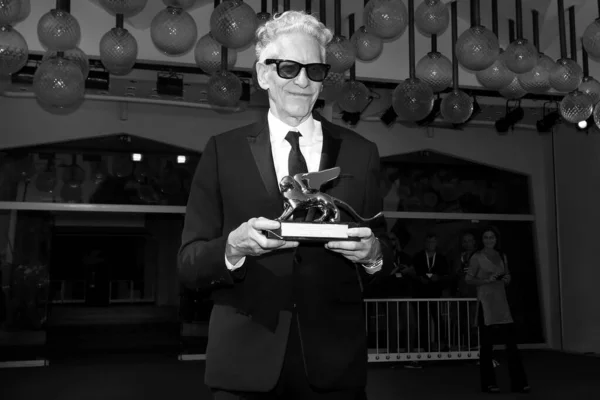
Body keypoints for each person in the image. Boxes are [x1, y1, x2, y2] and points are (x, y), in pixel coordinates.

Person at [178, 10, 393, 400]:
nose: (303, 81)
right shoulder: (222, 151)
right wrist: (232, 248)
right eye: (289, 67)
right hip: (244, 366)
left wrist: (374, 255)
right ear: (263, 74)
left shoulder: (361, 153)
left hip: (335, 367)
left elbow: (385, 253)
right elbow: (190, 262)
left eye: (314, 70)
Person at [466, 226, 530, 394]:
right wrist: (487, 280)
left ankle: (520, 383)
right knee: (487, 347)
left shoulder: (502, 256)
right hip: (486, 305)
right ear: (482, 239)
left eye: (492, 237)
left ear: (496, 239)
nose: (489, 240)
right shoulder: (476, 257)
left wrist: (507, 278)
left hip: (502, 305)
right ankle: (488, 384)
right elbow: (469, 279)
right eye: (486, 237)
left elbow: (507, 276)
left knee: (512, 346)